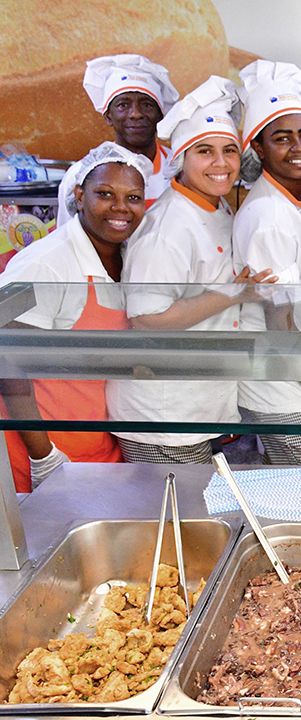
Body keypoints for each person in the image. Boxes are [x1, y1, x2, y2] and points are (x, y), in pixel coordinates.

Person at [106, 76, 275, 464]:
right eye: (205, 151)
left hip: (198, 403)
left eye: (229, 150)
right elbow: (148, 318)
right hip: (163, 415)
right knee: (174, 521)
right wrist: (236, 293)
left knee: (194, 519)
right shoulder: (166, 226)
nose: (221, 164)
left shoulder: (218, 206)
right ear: (182, 159)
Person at [0, 143, 151, 491]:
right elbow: (7, 359)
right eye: (105, 194)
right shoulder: (47, 264)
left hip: (97, 442)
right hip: (41, 450)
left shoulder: (128, 254)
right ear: (79, 196)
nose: (120, 208)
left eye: (133, 198)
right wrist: (42, 455)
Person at [233, 60, 301, 466]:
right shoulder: (268, 218)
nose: (299, 147)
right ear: (259, 148)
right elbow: (279, 328)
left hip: (299, 373)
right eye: (282, 138)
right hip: (287, 392)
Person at [56, 55, 180, 225]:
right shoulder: (79, 176)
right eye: (123, 105)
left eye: (147, 105)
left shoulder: (180, 168)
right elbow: (68, 238)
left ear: (160, 114)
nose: (136, 114)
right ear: (108, 116)